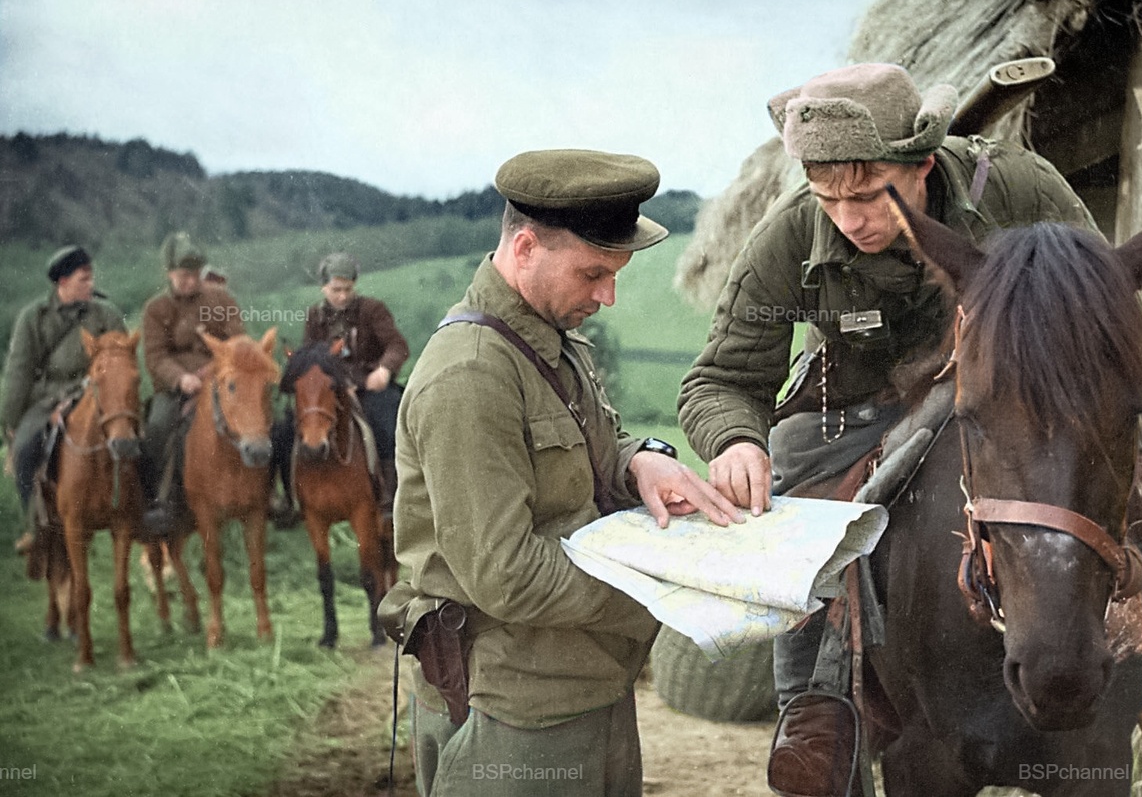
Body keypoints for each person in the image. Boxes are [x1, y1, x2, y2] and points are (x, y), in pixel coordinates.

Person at [677, 63, 1142, 790]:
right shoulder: (792, 232)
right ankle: (814, 704)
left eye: (866, 195)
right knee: (790, 474)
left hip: (1016, 393)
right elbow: (720, 378)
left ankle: (1141, 665)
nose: (848, 218)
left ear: (922, 162)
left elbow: (1102, 304)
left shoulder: (1017, 186)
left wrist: (1112, 402)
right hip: (860, 409)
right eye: (830, 198)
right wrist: (734, 439)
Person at [381, 148, 743, 796]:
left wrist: (639, 462)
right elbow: (506, 573)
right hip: (511, 711)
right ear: (525, 249)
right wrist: (663, 584)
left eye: (616, 274)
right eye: (593, 273)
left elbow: (588, 448)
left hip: (584, 681)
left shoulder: (550, 337)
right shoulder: (471, 373)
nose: (607, 296)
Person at [2, 246, 126, 551]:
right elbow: (19, 371)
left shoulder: (105, 314)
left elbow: (123, 360)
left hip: (95, 393)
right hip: (46, 399)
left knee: (133, 436)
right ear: (62, 282)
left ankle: (138, 510)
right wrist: (12, 422)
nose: (90, 285)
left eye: (91, 278)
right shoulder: (34, 317)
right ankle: (35, 525)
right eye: (83, 280)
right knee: (26, 448)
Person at [272, 252, 410, 518]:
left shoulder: (372, 310)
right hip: (332, 391)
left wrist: (383, 369)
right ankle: (291, 498)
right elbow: (311, 357)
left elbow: (397, 345)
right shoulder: (315, 315)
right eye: (336, 290)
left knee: (387, 422)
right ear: (324, 287)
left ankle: (390, 497)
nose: (343, 296)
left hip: (370, 387)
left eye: (348, 289)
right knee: (286, 430)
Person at [140, 232, 244, 532]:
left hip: (222, 381)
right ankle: (161, 500)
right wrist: (181, 378)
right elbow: (156, 356)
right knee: (159, 426)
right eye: (184, 275)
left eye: (195, 274)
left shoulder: (221, 299)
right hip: (178, 389)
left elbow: (238, 340)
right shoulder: (156, 309)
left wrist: (216, 369)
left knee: (259, 416)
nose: (191, 281)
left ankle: (267, 492)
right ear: (170, 273)